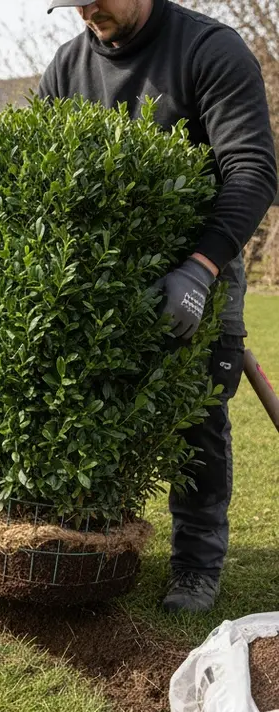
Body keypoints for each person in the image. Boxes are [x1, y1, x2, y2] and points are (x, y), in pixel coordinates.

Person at [41, 0, 278, 612]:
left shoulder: (208, 50)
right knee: (90, 409)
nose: (88, 10)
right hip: (99, 283)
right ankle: (95, 543)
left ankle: (196, 567)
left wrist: (199, 268)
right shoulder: (66, 69)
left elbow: (251, 171)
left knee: (196, 421)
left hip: (202, 267)